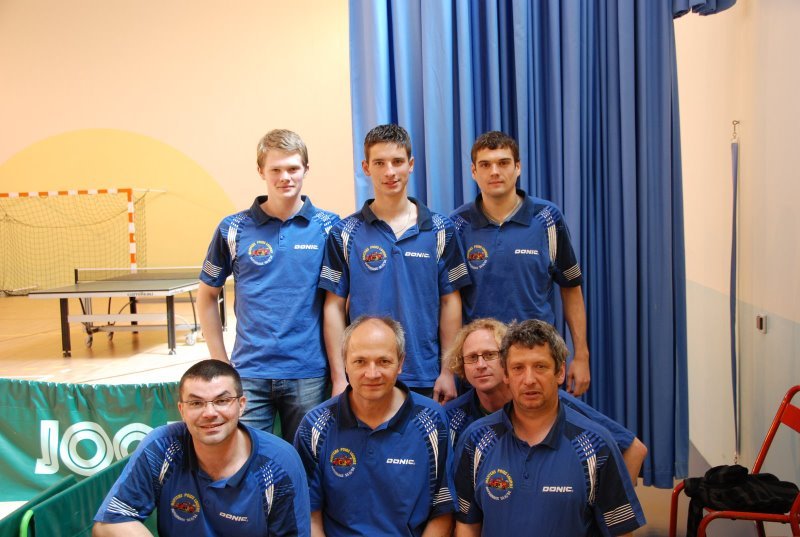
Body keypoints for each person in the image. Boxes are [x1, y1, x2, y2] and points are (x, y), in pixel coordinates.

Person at [197, 129, 339, 442]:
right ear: (261, 171)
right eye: (275, 169)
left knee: (305, 460)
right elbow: (206, 296)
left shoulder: (330, 227)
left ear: (306, 169)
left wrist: (339, 373)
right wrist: (220, 363)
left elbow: (337, 304)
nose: (285, 177)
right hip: (249, 372)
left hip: (308, 372)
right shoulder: (232, 228)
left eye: (293, 168)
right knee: (251, 460)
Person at [319, 124, 470, 403]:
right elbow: (333, 307)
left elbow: (450, 301)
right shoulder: (344, 232)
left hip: (425, 375)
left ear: (410, 165)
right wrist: (340, 377)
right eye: (380, 163)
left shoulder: (441, 230)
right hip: (366, 375)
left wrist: (448, 371)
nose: (389, 172)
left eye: (397, 162)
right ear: (366, 168)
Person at [452, 320, 646, 537]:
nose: (529, 380)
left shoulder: (596, 444)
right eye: (518, 368)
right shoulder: (475, 439)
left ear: (560, 372)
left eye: (540, 366)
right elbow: (467, 525)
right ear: (506, 374)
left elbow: (620, 532)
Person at [93, 359, 311, 537]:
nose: (209, 413)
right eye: (196, 403)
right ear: (181, 410)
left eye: (222, 401)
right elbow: (109, 524)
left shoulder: (279, 464)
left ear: (241, 405)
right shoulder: (161, 447)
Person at [451, 131, 590, 395]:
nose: (495, 171)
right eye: (485, 164)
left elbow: (571, 287)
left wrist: (581, 356)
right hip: (482, 363)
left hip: (535, 356)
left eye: (503, 163)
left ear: (518, 168)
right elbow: (450, 301)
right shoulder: (458, 224)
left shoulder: (548, 218)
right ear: (473, 172)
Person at [294, 316, 453, 537]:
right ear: (345, 363)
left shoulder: (432, 420)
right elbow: (309, 515)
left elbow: (443, 510)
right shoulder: (314, 426)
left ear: (401, 363)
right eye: (360, 361)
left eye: (383, 361)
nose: (372, 374)